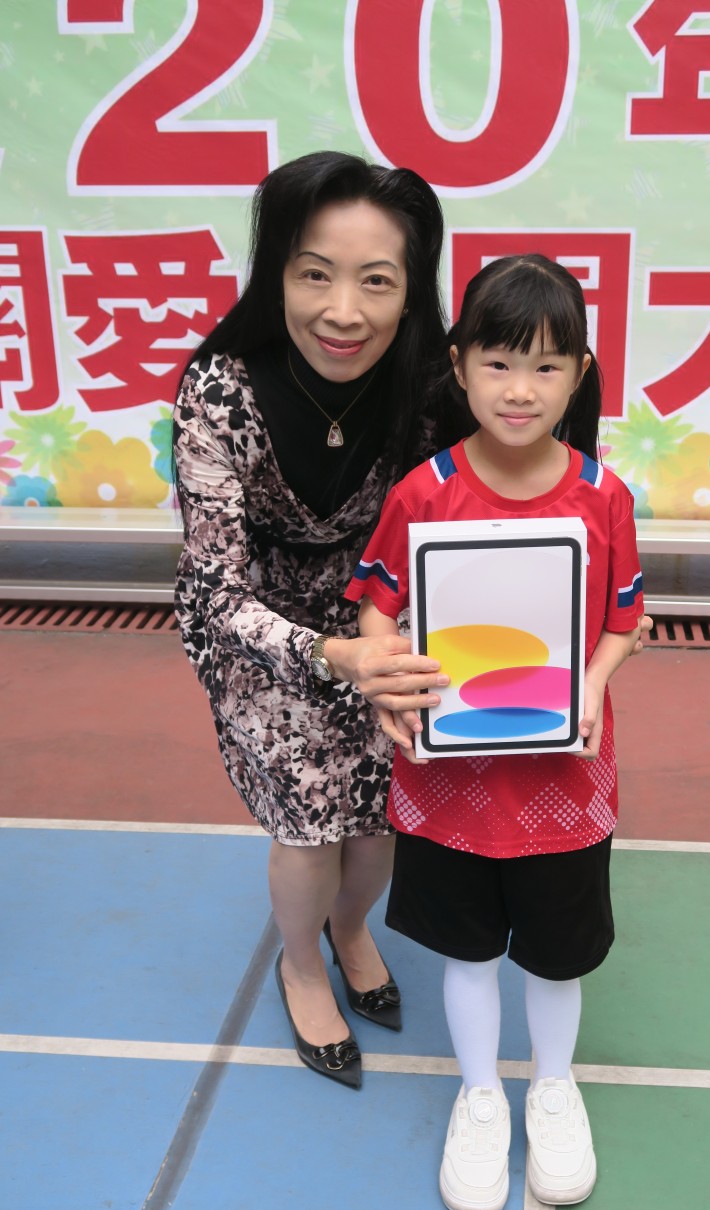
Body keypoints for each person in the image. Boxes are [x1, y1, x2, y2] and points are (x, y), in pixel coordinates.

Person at [344, 254, 644, 1210]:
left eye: (547, 366)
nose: (521, 389)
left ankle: (552, 1086)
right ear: (459, 365)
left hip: (563, 779)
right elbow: (375, 607)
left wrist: (591, 680)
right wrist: (388, 679)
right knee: (467, 951)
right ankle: (480, 1095)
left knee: (556, 955)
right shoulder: (421, 494)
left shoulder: (602, 496)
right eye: (499, 363)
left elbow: (624, 619)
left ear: (579, 374)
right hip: (449, 776)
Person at [172, 152, 453, 1091]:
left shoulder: (429, 385)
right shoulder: (219, 392)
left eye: (376, 281)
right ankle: (301, 964)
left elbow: (525, 443)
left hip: (380, 614)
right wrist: (336, 656)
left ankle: (350, 927)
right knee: (307, 818)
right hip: (257, 630)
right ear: (276, 274)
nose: (343, 311)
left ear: (410, 291)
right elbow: (215, 591)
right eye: (315, 274)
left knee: (380, 813)